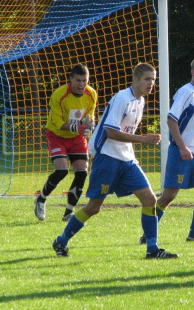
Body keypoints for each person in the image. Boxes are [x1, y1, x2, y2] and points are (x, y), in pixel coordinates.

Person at [52, 63, 179, 259]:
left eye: (153, 80)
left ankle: (152, 249)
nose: (151, 83)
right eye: (147, 79)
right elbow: (110, 132)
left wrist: (134, 147)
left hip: (126, 160)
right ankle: (61, 241)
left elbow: (125, 132)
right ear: (135, 79)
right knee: (94, 207)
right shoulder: (122, 98)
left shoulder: (140, 101)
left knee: (150, 199)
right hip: (107, 159)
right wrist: (143, 139)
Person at [139, 57, 194, 245]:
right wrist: (182, 146)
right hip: (181, 152)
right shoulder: (186, 92)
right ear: (192, 72)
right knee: (169, 196)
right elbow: (171, 119)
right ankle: (147, 235)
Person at [35, 64, 98, 222]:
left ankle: (68, 213)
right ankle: (41, 199)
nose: (82, 84)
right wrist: (76, 126)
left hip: (77, 138)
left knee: (82, 172)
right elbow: (56, 122)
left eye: (85, 80)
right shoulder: (59, 95)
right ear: (70, 79)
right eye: (78, 80)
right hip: (57, 135)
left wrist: (90, 124)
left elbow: (90, 115)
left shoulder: (91, 94)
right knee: (62, 170)